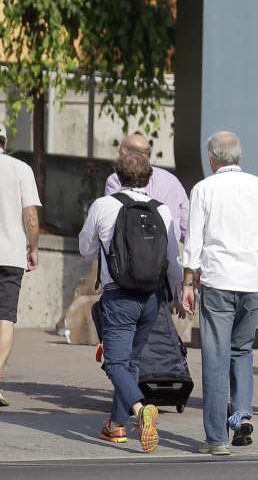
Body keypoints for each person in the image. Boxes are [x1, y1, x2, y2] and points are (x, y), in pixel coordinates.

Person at [180, 131, 258, 455]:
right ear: (238, 156)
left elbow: (194, 241)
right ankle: (241, 415)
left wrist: (188, 281)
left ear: (212, 159)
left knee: (215, 357)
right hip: (253, 282)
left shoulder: (204, 189)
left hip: (218, 280)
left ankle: (216, 438)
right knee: (242, 350)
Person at [78, 152, 178, 452]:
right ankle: (116, 426)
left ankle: (140, 410)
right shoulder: (162, 210)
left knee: (114, 363)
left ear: (117, 176)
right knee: (131, 363)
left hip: (119, 297)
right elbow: (173, 260)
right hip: (151, 299)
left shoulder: (103, 205)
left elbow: (85, 248)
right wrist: (176, 293)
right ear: (149, 178)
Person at [0, 123, 40, 409]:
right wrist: (33, 247)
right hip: (11, 255)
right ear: (4, 140)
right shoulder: (20, 168)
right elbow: (31, 217)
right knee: (5, 319)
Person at [104, 134, 189, 245]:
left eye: (120, 154)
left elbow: (111, 221)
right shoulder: (172, 180)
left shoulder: (116, 179)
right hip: (168, 251)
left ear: (127, 155)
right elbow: (187, 226)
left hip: (129, 253)